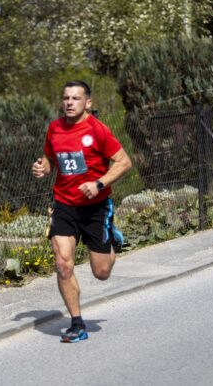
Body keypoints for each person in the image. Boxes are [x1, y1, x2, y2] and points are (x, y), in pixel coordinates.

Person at [32, 80, 132, 343]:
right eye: (66, 98)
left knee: (101, 272)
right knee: (63, 264)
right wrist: (44, 167)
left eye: (75, 98)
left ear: (88, 103)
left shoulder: (97, 130)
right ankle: (77, 323)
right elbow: (50, 158)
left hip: (96, 207)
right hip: (64, 204)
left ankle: (111, 238)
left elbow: (124, 161)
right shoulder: (54, 129)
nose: (69, 103)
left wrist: (99, 184)